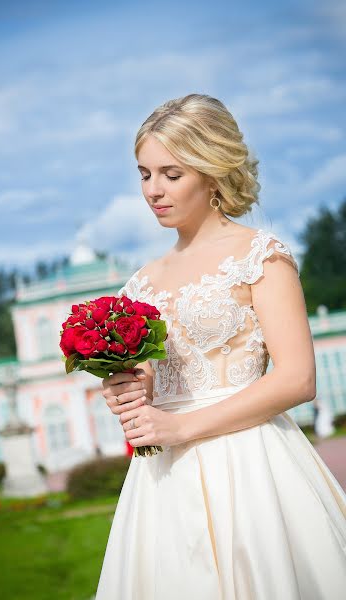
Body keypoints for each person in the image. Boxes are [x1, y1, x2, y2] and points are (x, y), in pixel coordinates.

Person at [96, 94, 346, 599]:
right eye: (144, 174)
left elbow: (298, 379)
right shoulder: (142, 283)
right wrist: (127, 388)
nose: (153, 191)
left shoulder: (260, 255)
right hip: (163, 479)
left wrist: (182, 426)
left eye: (171, 173)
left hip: (251, 465)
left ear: (211, 172)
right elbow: (157, 378)